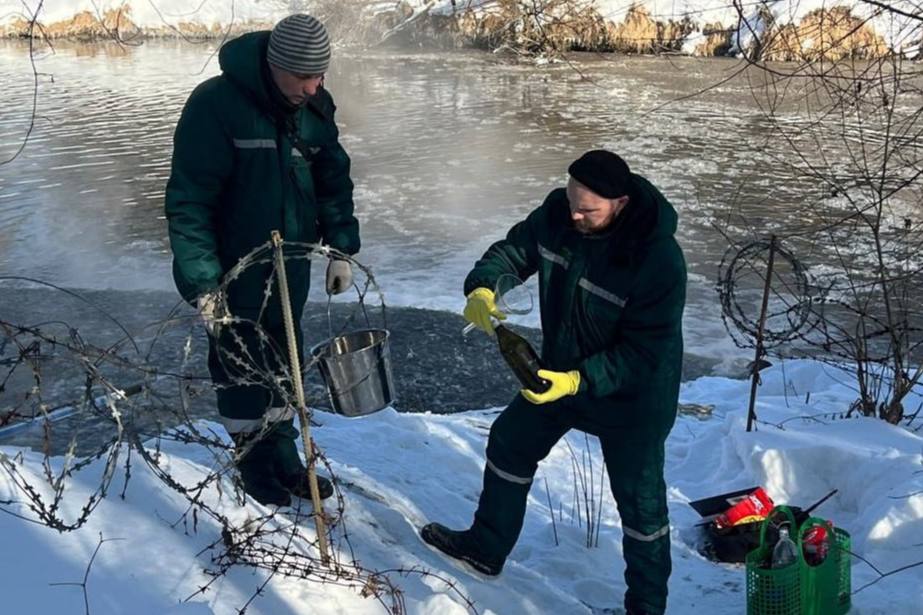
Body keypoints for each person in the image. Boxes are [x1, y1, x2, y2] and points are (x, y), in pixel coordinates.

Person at [421, 150, 686, 615]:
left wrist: (578, 380)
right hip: (558, 373)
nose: (575, 215)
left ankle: (646, 608)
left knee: (641, 507)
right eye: (571, 202)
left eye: (589, 210)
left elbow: (647, 351)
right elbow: (511, 252)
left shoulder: (657, 258)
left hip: (632, 398)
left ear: (620, 202)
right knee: (510, 441)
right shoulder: (556, 217)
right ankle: (486, 548)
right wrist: (485, 287)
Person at [164, 14, 359, 507]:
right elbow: (189, 201)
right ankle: (253, 461)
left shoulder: (315, 104)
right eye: (303, 77)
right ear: (274, 66)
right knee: (240, 366)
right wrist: (204, 283)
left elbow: (332, 176)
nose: (313, 87)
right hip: (235, 269)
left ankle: (284, 452)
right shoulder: (215, 106)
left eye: (320, 76)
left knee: (284, 360)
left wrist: (341, 248)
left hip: (291, 263)